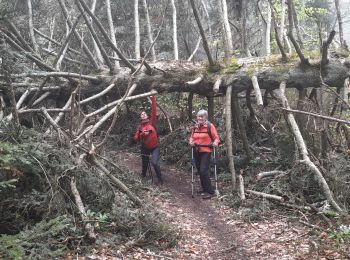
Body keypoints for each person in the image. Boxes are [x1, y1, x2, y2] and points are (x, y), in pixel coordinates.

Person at [189, 109, 219, 197]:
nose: (200, 118)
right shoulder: (195, 127)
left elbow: (216, 138)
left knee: (203, 170)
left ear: (205, 117)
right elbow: (191, 137)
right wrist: (191, 142)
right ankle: (204, 188)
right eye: (198, 117)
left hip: (206, 151)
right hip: (196, 150)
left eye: (202, 117)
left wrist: (215, 143)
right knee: (200, 170)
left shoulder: (210, 126)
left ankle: (210, 191)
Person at [134, 96, 163, 184]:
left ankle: (160, 179)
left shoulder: (152, 122)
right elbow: (136, 138)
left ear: (147, 115)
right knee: (145, 163)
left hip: (155, 147)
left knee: (154, 162)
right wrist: (142, 134)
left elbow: (154, 110)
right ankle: (143, 176)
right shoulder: (139, 127)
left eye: (144, 113)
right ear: (140, 117)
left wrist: (153, 99)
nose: (143, 114)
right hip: (145, 147)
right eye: (141, 114)